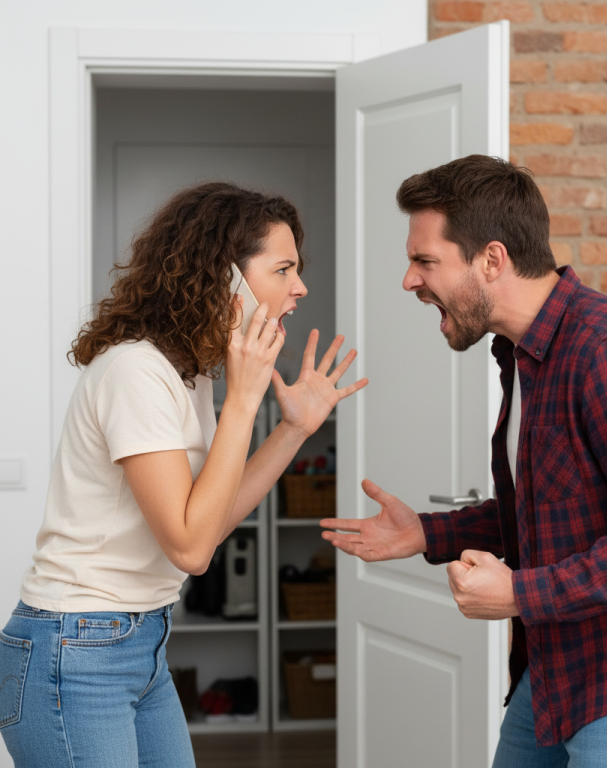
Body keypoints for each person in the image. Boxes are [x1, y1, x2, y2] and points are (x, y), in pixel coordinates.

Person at [320, 155, 607, 767]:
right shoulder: (524, 354)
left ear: (492, 260)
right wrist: (427, 532)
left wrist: (521, 592)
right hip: (559, 670)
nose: (409, 280)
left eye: (425, 260)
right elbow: (548, 510)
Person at [0, 182, 367, 768]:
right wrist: (244, 402)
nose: (300, 287)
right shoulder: (135, 372)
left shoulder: (187, 375)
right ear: (225, 278)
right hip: (75, 651)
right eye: (283, 269)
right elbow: (192, 550)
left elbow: (208, 523)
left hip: (139, 645)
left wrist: (292, 428)